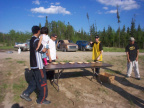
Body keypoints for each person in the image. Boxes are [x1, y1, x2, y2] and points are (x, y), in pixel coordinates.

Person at [20, 26, 51, 104]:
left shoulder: (31, 39)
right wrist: (47, 45)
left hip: (33, 65)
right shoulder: (36, 40)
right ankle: (41, 99)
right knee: (43, 82)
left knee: (34, 82)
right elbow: (43, 50)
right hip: (38, 65)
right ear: (38, 31)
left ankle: (25, 93)